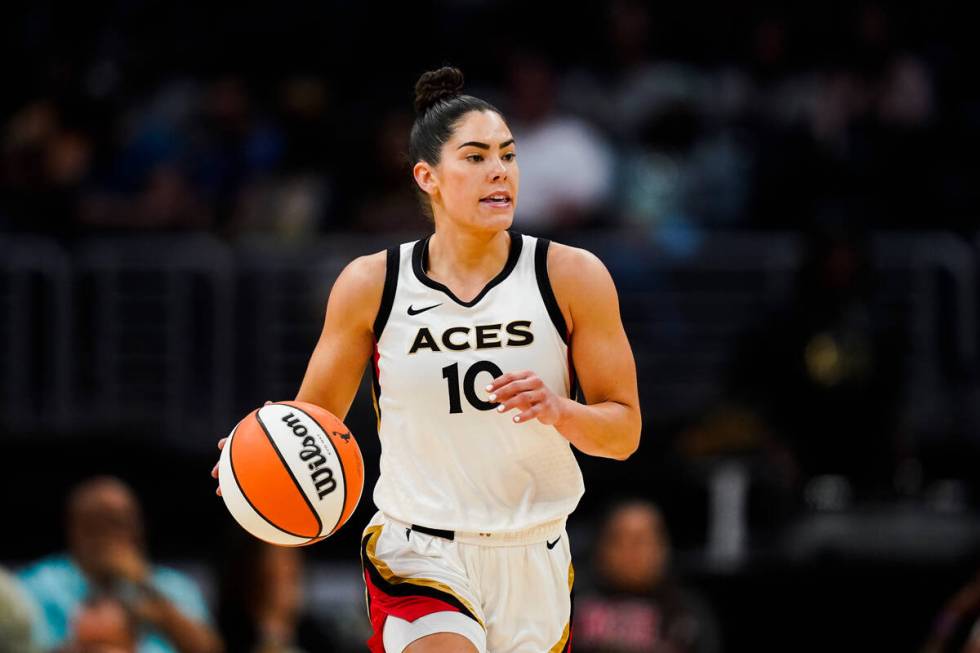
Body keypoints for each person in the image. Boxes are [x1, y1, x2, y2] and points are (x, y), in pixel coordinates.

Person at [212, 65, 642, 653]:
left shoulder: (572, 275)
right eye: (476, 156)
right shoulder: (372, 283)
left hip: (535, 549)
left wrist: (560, 410)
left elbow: (623, 433)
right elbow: (313, 422)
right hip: (419, 549)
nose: (499, 170)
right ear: (428, 176)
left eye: (509, 155)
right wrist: (256, 454)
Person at [17, 476, 223, 653]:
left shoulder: (171, 586)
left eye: (118, 523)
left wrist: (146, 588)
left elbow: (210, 649)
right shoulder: (40, 585)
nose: (106, 536)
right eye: (94, 525)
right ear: (73, 530)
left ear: (138, 529)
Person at [574, 500, 721, 653]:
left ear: (662, 547)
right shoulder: (572, 605)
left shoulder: (686, 611)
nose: (630, 551)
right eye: (619, 540)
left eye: (640, 540)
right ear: (600, 547)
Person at [216, 534, 338, 653]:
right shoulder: (221, 641)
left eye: (294, 559)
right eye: (278, 559)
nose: (292, 569)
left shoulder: (320, 641)